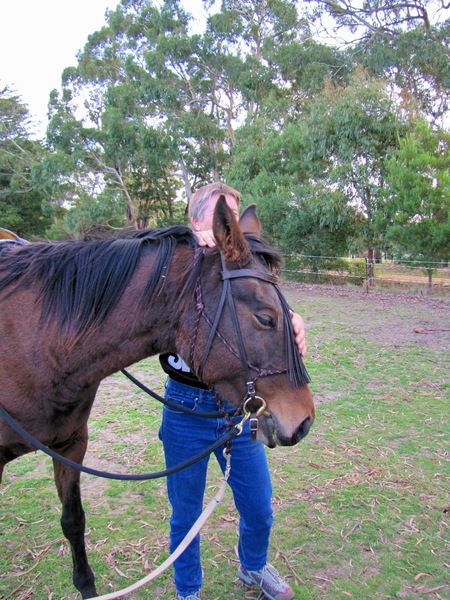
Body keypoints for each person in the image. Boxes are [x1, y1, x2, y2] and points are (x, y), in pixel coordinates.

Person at [158, 182, 307, 600]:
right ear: (195, 220)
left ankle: (254, 567)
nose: (231, 231)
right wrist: (190, 245)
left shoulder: (235, 266)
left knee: (259, 506)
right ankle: (188, 591)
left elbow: (258, 300)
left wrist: (292, 317)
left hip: (241, 408)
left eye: (235, 220)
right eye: (223, 218)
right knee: (186, 515)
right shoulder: (174, 267)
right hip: (185, 407)